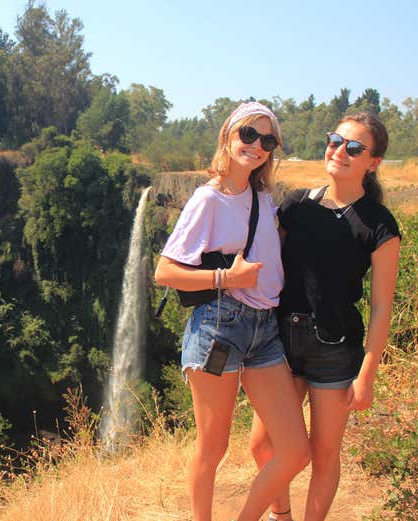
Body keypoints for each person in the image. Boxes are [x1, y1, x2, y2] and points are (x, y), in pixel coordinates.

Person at [155, 102, 311, 521]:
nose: (257, 145)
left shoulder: (261, 195)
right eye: (248, 134)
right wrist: (227, 277)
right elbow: (165, 271)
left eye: (267, 140)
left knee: (296, 449)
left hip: (264, 330)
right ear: (227, 136)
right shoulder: (208, 199)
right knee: (213, 447)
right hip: (220, 327)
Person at [248, 112, 401, 521]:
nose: (340, 151)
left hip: (334, 347)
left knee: (323, 454)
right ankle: (282, 514)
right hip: (278, 343)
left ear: (374, 162)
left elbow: (381, 306)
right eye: (336, 141)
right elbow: (264, 265)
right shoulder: (296, 205)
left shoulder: (380, 225)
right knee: (262, 444)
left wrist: (367, 373)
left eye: (354, 147)